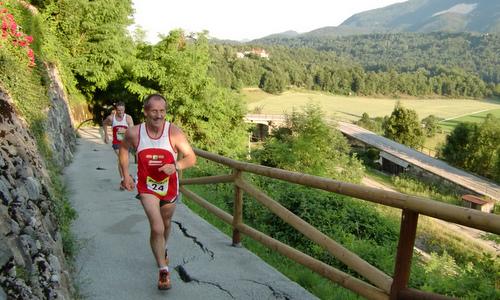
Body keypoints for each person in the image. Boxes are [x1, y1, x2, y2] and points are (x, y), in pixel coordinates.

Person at [119, 94, 196, 290]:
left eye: (162, 111)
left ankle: (164, 248)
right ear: (145, 112)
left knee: (167, 223)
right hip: (146, 186)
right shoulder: (134, 133)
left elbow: (191, 158)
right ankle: (163, 270)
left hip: (169, 186)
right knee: (157, 226)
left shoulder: (174, 133)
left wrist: (176, 165)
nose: (158, 115)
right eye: (154, 111)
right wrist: (126, 175)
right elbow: (124, 149)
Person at [103, 102, 134, 185]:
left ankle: (126, 176)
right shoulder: (111, 118)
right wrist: (106, 135)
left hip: (127, 143)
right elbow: (104, 123)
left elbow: (132, 130)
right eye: (118, 110)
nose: (120, 112)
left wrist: (125, 131)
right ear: (116, 110)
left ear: (124, 110)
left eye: (122, 110)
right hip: (117, 143)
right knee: (121, 159)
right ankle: (123, 179)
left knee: (125, 161)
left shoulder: (128, 118)